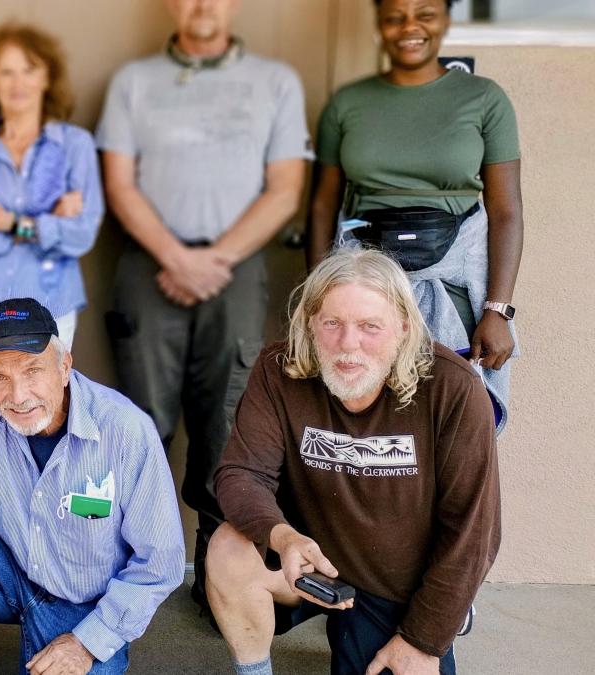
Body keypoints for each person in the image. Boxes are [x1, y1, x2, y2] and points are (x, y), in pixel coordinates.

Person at [96, 0, 312, 608]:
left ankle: (218, 579)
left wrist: (215, 258)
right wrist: (176, 256)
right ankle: (129, 573)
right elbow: (119, 182)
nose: (203, 5)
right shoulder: (135, 82)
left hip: (236, 269)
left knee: (228, 422)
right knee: (143, 421)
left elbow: (285, 187)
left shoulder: (275, 82)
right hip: (150, 264)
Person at [208, 249, 500, 675]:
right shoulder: (278, 370)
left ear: (403, 327)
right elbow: (240, 474)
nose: (348, 345)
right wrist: (284, 538)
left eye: (370, 327)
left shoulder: (452, 389)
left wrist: (423, 640)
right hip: (308, 566)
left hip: (398, 585)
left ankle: (449, 615)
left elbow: (474, 532)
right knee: (228, 547)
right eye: (332, 324)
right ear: (310, 322)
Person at [0, 298, 185, 674]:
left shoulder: (126, 429)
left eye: (33, 371)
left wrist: (87, 642)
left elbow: (160, 564)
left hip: (85, 606)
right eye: (0, 376)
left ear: (65, 367)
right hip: (8, 571)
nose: (17, 395)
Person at [306, 0, 522, 433]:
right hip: (363, 279)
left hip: (454, 283)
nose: (410, 27)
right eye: (395, 16)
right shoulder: (348, 104)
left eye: (424, 13)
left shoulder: (484, 98)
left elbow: (506, 210)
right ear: (380, 24)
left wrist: (498, 311)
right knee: (368, 425)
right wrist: (316, 305)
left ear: (444, 19)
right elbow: (323, 207)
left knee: (451, 421)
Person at [0, 22, 104, 375]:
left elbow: (80, 235)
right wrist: (48, 226)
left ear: (47, 77)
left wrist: (8, 223)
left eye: (29, 70)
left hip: (52, 300)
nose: (18, 83)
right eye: (7, 72)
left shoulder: (74, 146)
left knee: (44, 409)